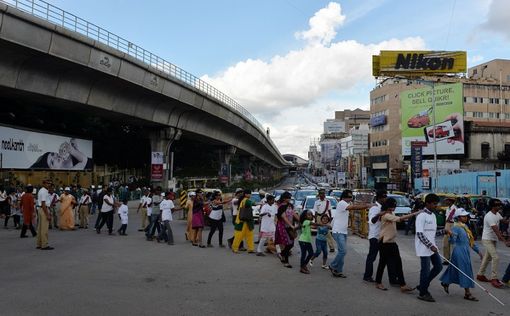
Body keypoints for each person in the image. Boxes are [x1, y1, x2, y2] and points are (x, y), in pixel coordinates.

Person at [440, 208, 483, 301]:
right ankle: (467, 293)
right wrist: (450, 234)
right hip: (459, 252)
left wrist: (478, 251)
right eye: (463, 216)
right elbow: (452, 241)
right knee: (465, 271)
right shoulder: (456, 227)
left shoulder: (465, 227)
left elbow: (471, 241)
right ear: (458, 217)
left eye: (466, 216)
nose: (466, 217)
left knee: (454, 269)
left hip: (465, 251)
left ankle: (445, 282)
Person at [374, 198, 417, 293]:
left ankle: (402, 284)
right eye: (393, 205)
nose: (394, 207)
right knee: (382, 263)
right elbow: (400, 219)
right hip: (384, 243)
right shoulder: (386, 215)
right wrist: (414, 214)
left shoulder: (390, 214)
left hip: (391, 242)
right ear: (389, 206)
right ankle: (378, 282)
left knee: (398, 263)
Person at [329, 190, 371, 278]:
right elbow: (354, 207)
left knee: (342, 252)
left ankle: (338, 271)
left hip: (343, 231)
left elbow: (355, 205)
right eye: (348, 197)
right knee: (343, 251)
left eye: (351, 197)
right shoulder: (342, 203)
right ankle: (333, 265)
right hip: (338, 231)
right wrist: (366, 205)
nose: (349, 199)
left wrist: (364, 203)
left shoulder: (346, 203)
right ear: (343, 197)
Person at [415, 193, 444, 302]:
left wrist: (443, 231)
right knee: (425, 271)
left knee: (438, 267)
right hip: (424, 248)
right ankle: (423, 293)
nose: (436, 206)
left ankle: (423, 285)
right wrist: (430, 245)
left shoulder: (433, 215)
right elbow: (420, 234)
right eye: (434, 204)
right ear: (427, 203)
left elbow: (432, 233)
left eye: (436, 204)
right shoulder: (421, 215)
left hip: (432, 247)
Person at [476, 198, 510, 288]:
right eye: (497, 205)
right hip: (487, 239)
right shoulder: (489, 216)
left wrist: (508, 218)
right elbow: (497, 231)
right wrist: (505, 241)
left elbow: (504, 221)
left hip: (493, 239)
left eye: (499, 205)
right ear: (492, 206)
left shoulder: (497, 214)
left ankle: (480, 275)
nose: (499, 206)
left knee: (487, 258)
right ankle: (494, 278)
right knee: (496, 257)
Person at [363, 190, 388, 283]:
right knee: (372, 257)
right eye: (384, 197)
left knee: (384, 257)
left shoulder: (382, 207)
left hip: (381, 236)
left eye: (386, 197)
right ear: (379, 198)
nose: (385, 199)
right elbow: (372, 221)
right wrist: (379, 214)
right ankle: (367, 275)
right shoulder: (375, 208)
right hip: (374, 236)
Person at [274, 192, 299, 268]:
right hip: (283, 227)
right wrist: (291, 226)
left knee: (291, 244)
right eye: (288, 197)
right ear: (284, 198)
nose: (289, 199)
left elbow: (294, 214)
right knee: (288, 243)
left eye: (290, 197)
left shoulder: (290, 205)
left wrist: (301, 220)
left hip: (290, 227)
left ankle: (282, 254)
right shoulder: (281, 207)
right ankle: (286, 262)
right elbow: (284, 218)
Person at [298, 210, 317, 274]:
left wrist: (315, 218)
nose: (310, 216)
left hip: (307, 241)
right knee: (304, 254)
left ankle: (304, 265)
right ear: (304, 216)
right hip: (303, 240)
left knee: (311, 253)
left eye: (311, 214)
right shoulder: (306, 221)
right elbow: (315, 224)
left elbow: (314, 226)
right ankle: (302, 267)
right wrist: (323, 224)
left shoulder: (307, 223)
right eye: (308, 214)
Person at [36, 179, 54, 250]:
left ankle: (39, 244)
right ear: (43, 184)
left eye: (50, 183)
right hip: (44, 209)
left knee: (40, 228)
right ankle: (44, 245)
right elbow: (43, 204)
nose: (49, 184)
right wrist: (47, 214)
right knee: (44, 229)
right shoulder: (44, 191)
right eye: (47, 183)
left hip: (41, 209)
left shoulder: (42, 190)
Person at [442, 197, 457, 264]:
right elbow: (447, 219)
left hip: (452, 224)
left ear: (450, 201)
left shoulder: (454, 209)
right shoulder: (448, 209)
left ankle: (453, 259)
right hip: (448, 224)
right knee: (446, 243)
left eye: (447, 200)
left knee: (452, 242)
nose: (445, 202)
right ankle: (446, 259)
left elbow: (450, 218)